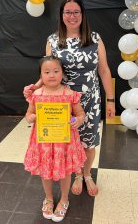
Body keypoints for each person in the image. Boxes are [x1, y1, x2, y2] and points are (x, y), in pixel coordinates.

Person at [24, 0, 115, 197]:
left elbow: (104, 71)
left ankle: (87, 174)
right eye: (67, 12)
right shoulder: (53, 40)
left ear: (82, 14)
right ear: (61, 15)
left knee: (88, 142)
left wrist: (110, 100)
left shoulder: (95, 39)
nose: (71, 16)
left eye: (76, 12)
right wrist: (35, 86)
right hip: (62, 104)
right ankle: (76, 174)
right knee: (69, 141)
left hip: (90, 102)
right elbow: (48, 69)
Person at [24, 55, 86, 222]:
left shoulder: (69, 94)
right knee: (46, 171)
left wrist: (77, 120)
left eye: (56, 71)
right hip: (43, 142)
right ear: (41, 75)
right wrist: (30, 117)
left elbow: (80, 114)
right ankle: (49, 198)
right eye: (47, 72)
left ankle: (64, 199)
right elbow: (29, 113)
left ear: (62, 74)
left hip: (64, 142)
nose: (51, 75)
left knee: (65, 171)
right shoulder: (36, 94)